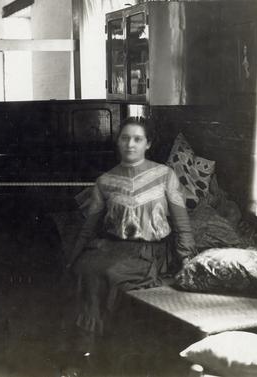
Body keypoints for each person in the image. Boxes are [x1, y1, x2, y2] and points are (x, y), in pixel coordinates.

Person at [62, 117, 197, 372]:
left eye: (137, 139)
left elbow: (182, 223)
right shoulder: (105, 181)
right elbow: (89, 226)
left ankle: (97, 356)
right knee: (83, 269)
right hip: (114, 247)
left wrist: (187, 258)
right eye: (125, 138)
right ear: (118, 142)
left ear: (148, 144)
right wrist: (73, 256)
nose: (130, 144)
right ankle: (85, 352)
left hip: (151, 252)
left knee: (107, 273)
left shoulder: (164, 175)